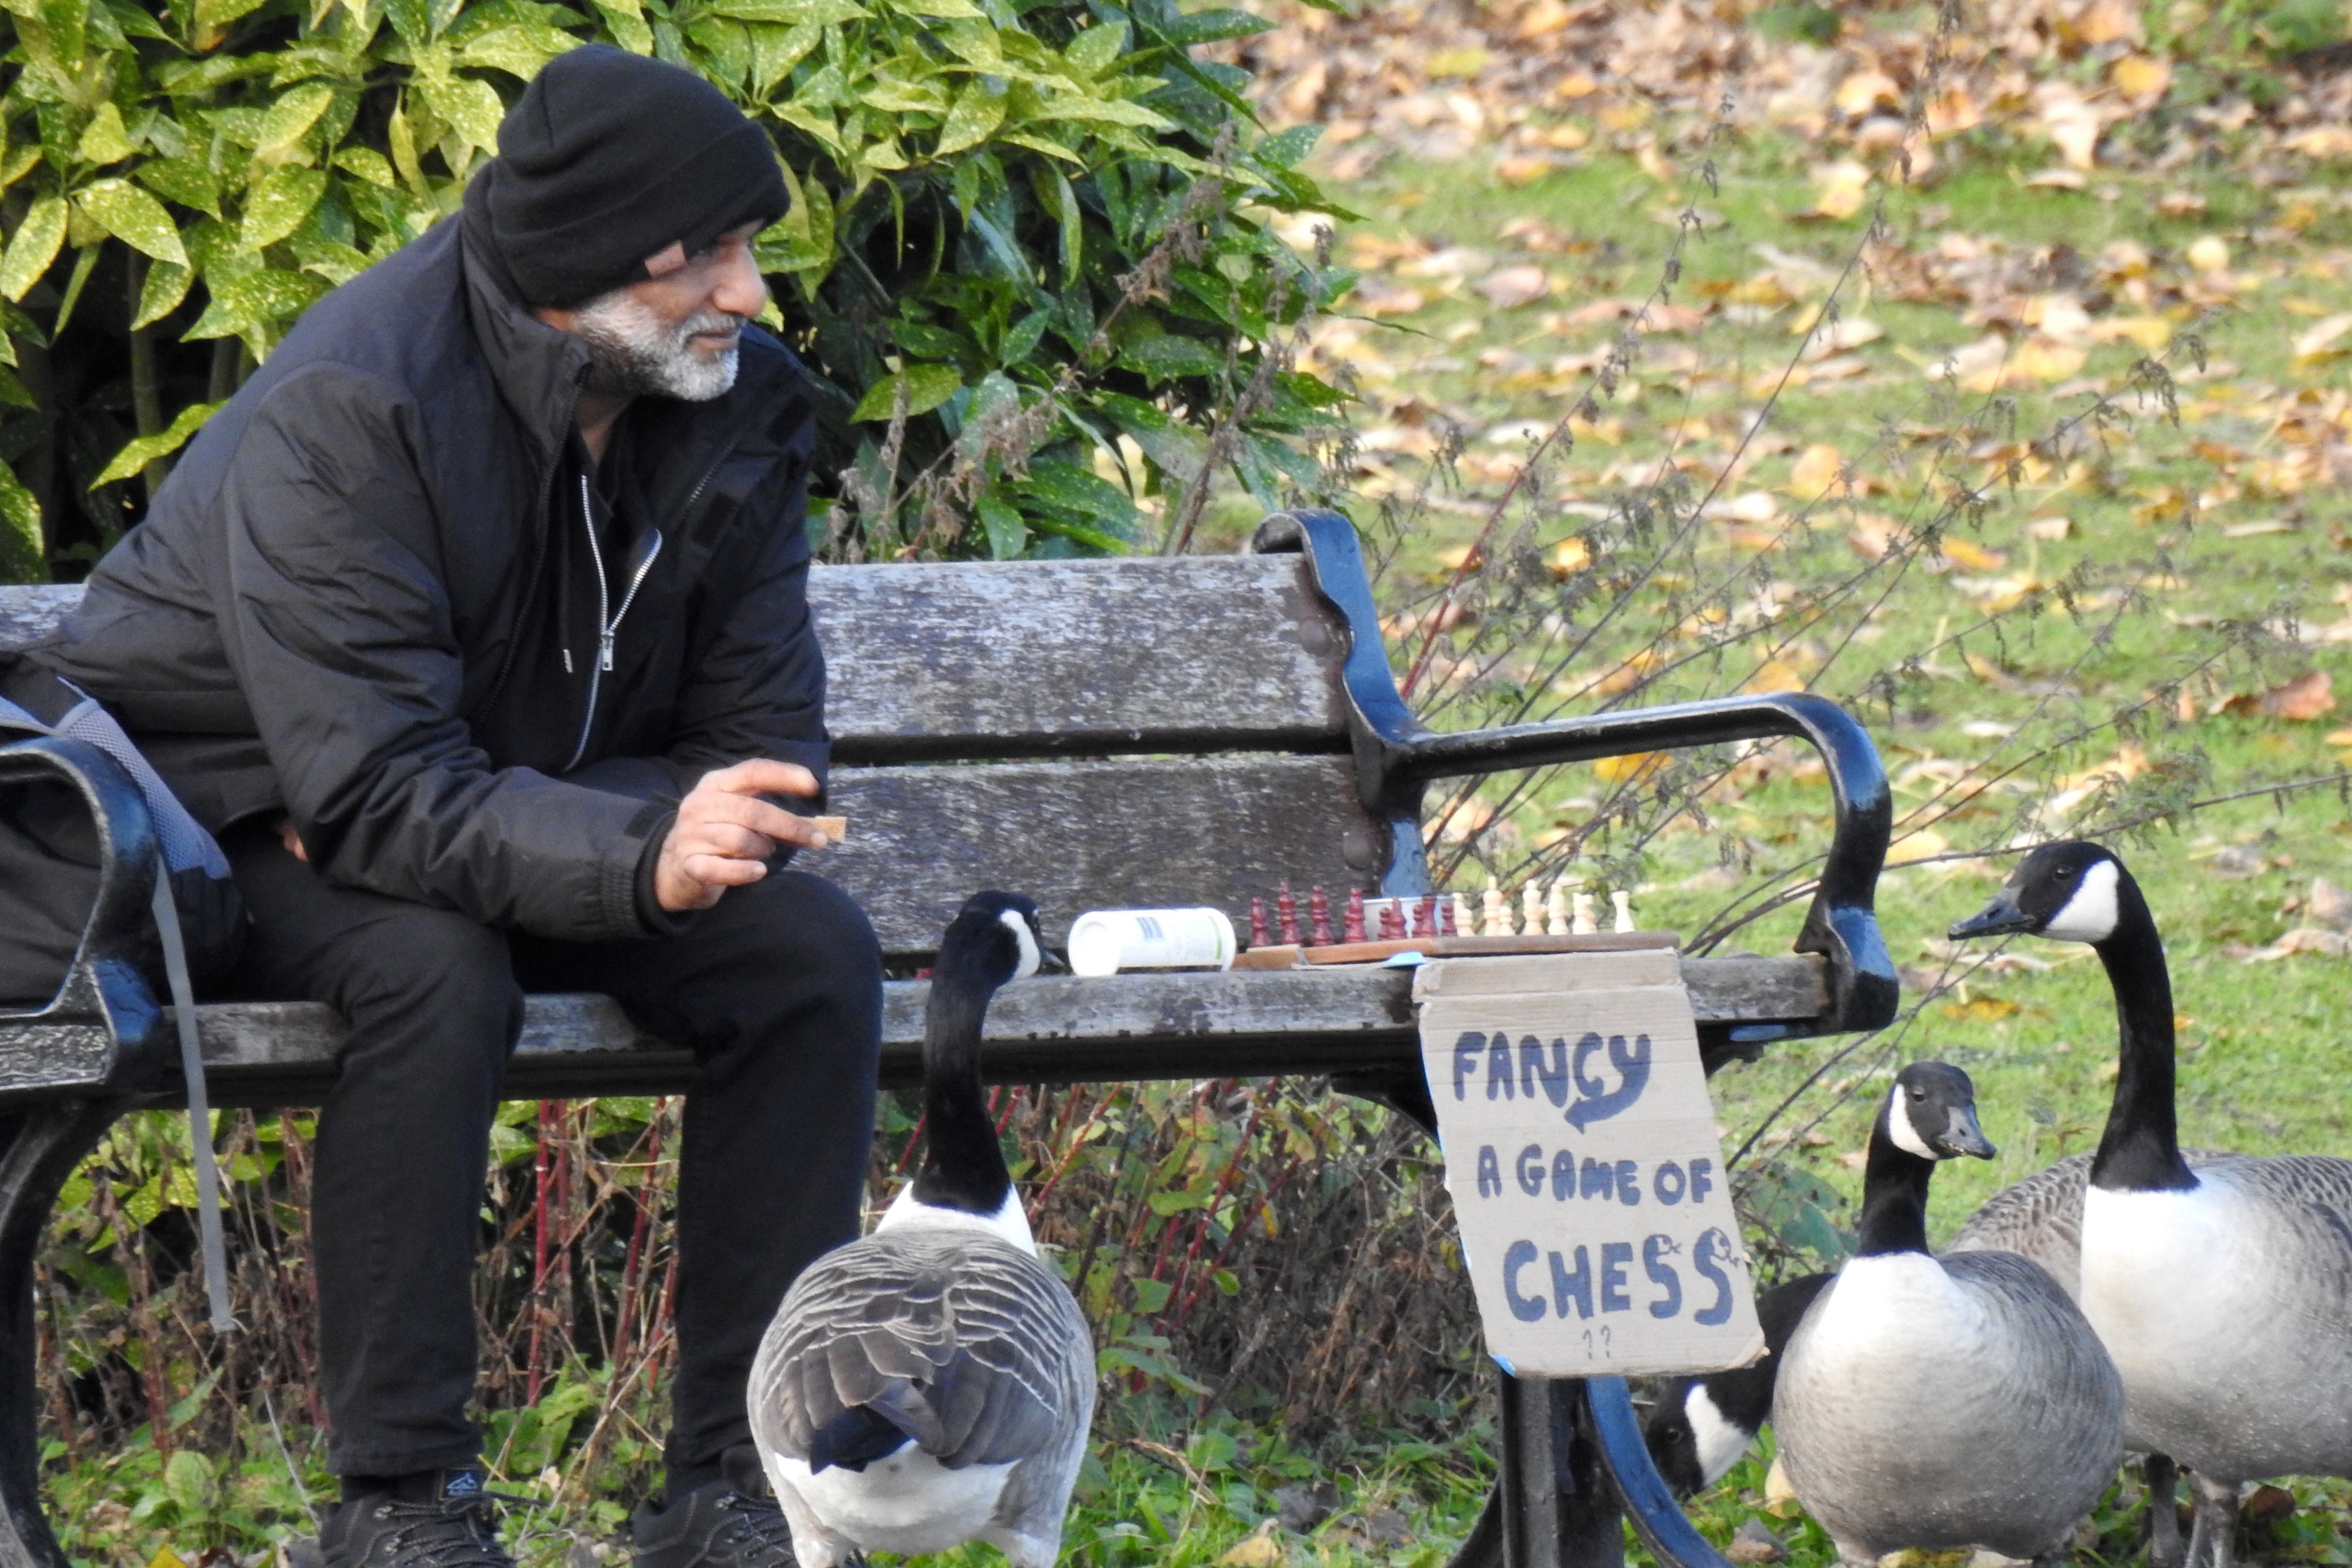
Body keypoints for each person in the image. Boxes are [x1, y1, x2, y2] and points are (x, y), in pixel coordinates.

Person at [34, 44, 880, 1568]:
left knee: (808, 952)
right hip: (231, 823)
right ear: (596, 269)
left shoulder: (736, 411)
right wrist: (631, 838)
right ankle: (401, 1504)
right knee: (430, 961)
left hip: (474, 814)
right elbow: (367, 793)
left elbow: (760, 754)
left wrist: (644, 841)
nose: (751, 298)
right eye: (716, 258)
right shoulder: (356, 408)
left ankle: (741, 1492)